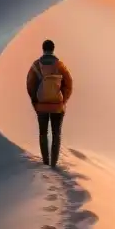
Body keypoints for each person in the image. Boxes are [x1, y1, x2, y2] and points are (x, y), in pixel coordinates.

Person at [26, 39, 73, 168]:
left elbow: (30, 85)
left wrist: (35, 101)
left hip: (41, 106)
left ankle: (46, 162)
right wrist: (63, 100)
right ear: (53, 49)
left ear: (43, 49)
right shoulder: (60, 65)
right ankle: (54, 163)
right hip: (57, 106)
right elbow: (69, 84)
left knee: (43, 133)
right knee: (56, 133)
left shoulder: (36, 65)